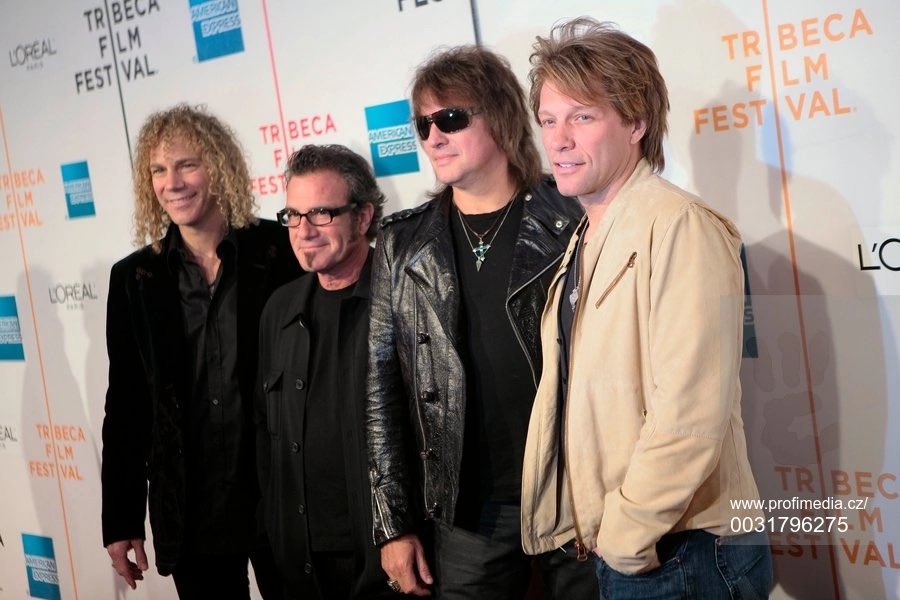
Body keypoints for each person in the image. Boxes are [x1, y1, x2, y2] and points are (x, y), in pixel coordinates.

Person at [520, 18, 773, 599]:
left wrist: (628, 534)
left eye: (581, 117)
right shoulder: (581, 240)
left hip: (683, 550)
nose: (558, 140)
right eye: (549, 119)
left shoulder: (681, 226)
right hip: (636, 548)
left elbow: (691, 410)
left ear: (636, 122)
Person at [366, 46, 595, 598]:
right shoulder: (401, 242)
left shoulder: (573, 218)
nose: (432, 137)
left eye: (450, 118)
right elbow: (381, 391)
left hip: (577, 491)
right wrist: (393, 523)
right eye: (423, 124)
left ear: (500, 116)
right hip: (470, 509)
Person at [101, 104, 299, 599]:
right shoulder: (134, 280)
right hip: (191, 506)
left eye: (187, 164)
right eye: (158, 170)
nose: (173, 182)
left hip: (282, 494)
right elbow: (126, 406)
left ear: (220, 166)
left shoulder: (282, 250)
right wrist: (120, 519)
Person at [255, 144, 391, 599]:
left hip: (386, 557)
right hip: (301, 564)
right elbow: (266, 433)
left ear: (364, 216)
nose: (304, 231)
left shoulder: (402, 299)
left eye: (321, 214)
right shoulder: (280, 308)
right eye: (293, 215)